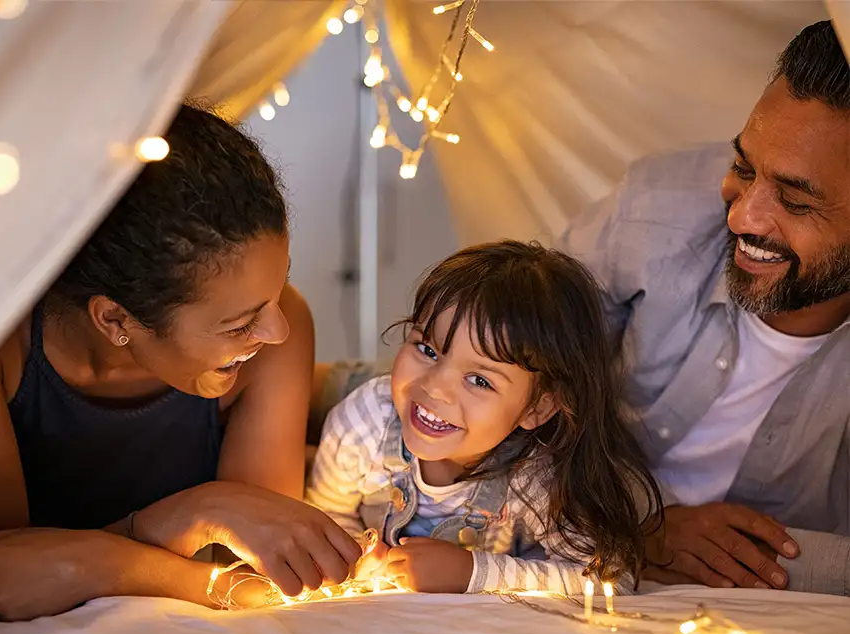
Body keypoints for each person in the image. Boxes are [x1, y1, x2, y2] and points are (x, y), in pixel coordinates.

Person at [0, 103, 360, 621]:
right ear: (116, 320)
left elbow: (259, 579)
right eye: (238, 324)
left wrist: (91, 562)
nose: (275, 330)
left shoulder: (281, 334)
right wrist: (192, 513)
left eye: (277, 291)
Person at [559, 20, 850, 595]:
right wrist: (636, 527)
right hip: (582, 555)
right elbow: (513, 365)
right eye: (743, 166)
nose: (742, 216)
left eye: (793, 200)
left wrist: (765, 560)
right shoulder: (655, 204)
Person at [306, 241, 662, 594]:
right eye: (428, 350)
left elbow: (609, 578)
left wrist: (473, 572)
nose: (436, 388)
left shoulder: (536, 473)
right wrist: (356, 557)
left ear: (537, 408)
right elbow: (325, 522)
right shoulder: (364, 422)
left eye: (479, 380)